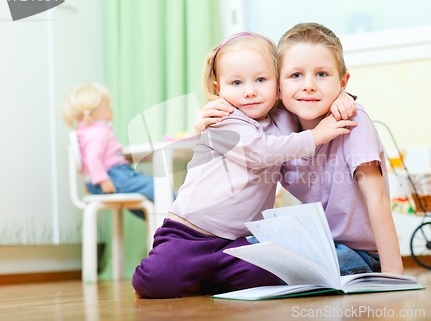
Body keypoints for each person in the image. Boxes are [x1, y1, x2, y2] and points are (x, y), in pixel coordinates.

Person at [132, 32, 357, 299]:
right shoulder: (223, 118)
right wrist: (317, 136)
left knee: (273, 275)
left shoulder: (283, 117)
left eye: (261, 80)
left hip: (239, 241)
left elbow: (312, 103)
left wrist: (343, 97)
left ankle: (208, 276)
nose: (250, 91)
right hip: (190, 233)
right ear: (218, 88)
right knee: (155, 282)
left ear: (278, 84)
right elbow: (260, 152)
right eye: (236, 82)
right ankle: (193, 271)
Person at [196, 23, 403, 276]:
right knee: (242, 254)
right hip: (319, 244)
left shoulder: (351, 121)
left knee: (256, 268)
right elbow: (243, 136)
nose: (308, 85)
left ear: (343, 81)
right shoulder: (278, 129)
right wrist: (202, 126)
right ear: (278, 87)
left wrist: (394, 274)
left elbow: (377, 198)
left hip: (359, 253)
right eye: (296, 75)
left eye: (322, 74)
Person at [62, 83, 154, 219]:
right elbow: (92, 158)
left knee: (144, 201)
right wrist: (102, 180)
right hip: (114, 176)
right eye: (107, 107)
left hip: (109, 177)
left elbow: (87, 160)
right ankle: (184, 217)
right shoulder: (97, 132)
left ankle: (165, 222)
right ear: (95, 113)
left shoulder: (86, 132)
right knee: (157, 186)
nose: (111, 111)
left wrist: (91, 181)